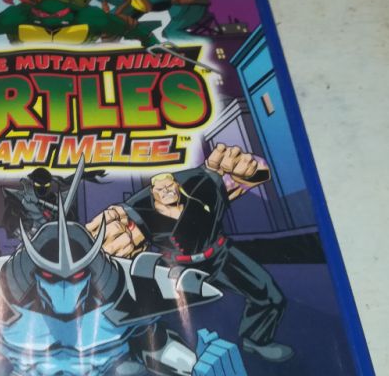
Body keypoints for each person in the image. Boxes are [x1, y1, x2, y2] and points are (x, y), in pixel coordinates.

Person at [87, 144, 294, 362]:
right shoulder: (138, 211)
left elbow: (259, 173)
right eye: (160, 190)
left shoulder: (205, 188)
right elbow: (123, 227)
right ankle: (131, 354)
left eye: (170, 186)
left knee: (270, 295)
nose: (166, 192)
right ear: (152, 192)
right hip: (177, 268)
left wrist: (247, 166)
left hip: (220, 256)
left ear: (177, 185)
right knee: (135, 308)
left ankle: (257, 339)